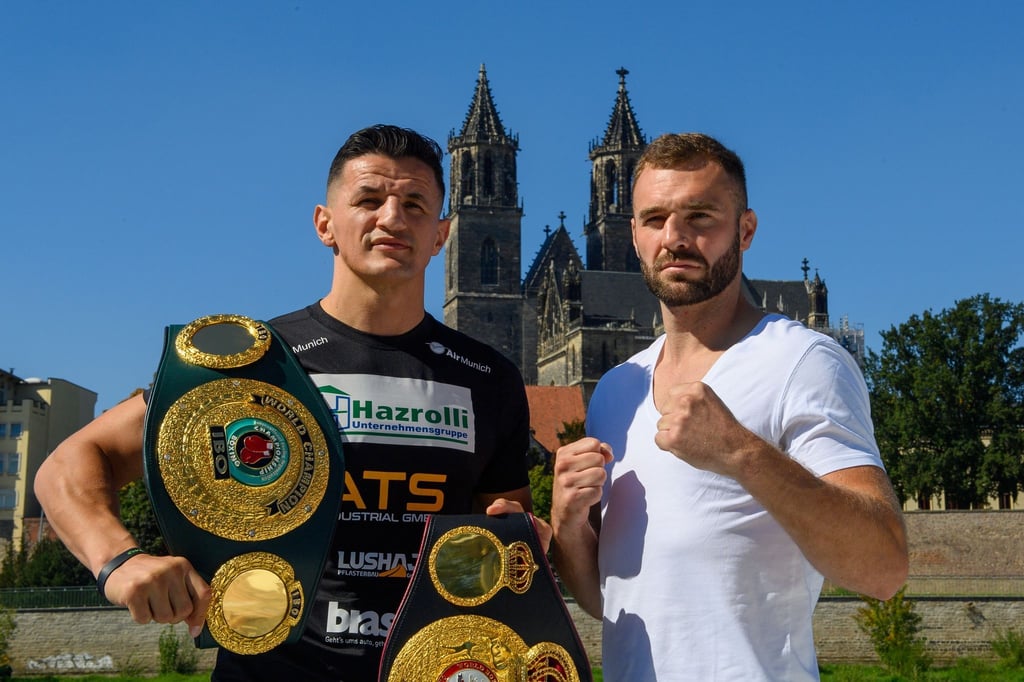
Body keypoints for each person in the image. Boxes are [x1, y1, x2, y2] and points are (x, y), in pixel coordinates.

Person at [34, 124, 535, 681]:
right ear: (326, 225)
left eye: (415, 204)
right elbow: (67, 465)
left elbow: (505, 544)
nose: (392, 218)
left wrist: (532, 537)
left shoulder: (488, 378)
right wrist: (121, 561)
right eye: (369, 200)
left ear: (441, 235)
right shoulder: (254, 362)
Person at [550, 132, 908, 681]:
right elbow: (611, 602)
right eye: (655, 219)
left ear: (744, 231)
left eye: (700, 217)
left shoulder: (804, 361)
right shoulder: (617, 390)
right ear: (634, 236)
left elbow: (883, 568)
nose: (675, 237)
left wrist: (740, 452)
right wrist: (569, 525)